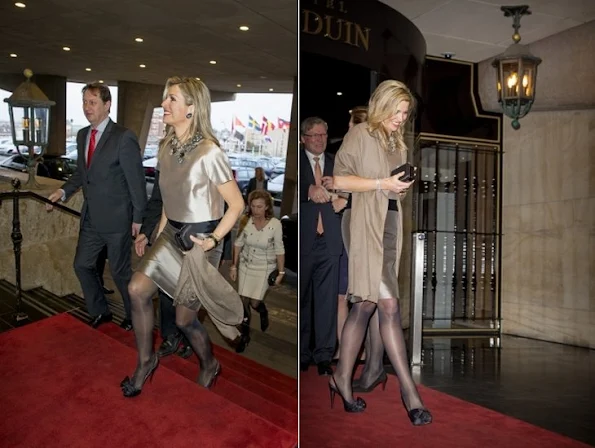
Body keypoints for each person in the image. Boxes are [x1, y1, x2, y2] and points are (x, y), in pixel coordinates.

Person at [120, 77, 245, 397]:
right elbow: (168, 199)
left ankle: (209, 364)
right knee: (136, 289)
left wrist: (215, 240)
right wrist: (156, 236)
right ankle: (146, 361)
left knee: (185, 319)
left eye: (172, 99)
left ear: (191, 109)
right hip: (170, 235)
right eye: (165, 99)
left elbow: (237, 205)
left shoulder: (209, 152)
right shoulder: (165, 147)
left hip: (200, 244)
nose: (164, 104)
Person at [330, 80, 432, 425]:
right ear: (383, 106)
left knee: (364, 305)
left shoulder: (397, 143)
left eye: (406, 113)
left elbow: (393, 193)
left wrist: (399, 187)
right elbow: (339, 181)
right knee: (388, 304)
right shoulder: (361, 134)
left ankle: (341, 378)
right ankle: (410, 392)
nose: (401, 118)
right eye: (397, 111)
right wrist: (381, 184)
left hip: (389, 225)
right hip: (361, 223)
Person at [47, 82, 147, 332]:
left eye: (92, 102)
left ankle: (135, 316)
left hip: (117, 220)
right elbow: (83, 174)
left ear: (107, 105)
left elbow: (137, 182)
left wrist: (138, 218)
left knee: (121, 273)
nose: (86, 107)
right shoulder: (82, 135)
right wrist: (63, 191)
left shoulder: (124, 137)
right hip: (91, 219)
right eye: (84, 102)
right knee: (82, 264)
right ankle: (100, 310)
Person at [299, 117, 344, 376]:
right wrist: (308, 190)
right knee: (303, 299)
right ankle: (303, 354)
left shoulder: (337, 162)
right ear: (303, 138)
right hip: (305, 240)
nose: (319, 139)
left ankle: (324, 355)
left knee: (328, 301)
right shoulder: (297, 161)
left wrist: (343, 199)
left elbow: (351, 191)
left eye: (323, 135)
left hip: (330, 241)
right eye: (314, 135)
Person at [133, 169, 192, 359]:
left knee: (187, 291)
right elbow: (158, 202)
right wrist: (146, 230)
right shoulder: (165, 162)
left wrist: (217, 245)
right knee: (164, 286)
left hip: (196, 236)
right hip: (167, 234)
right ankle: (169, 335)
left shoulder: (206, 157)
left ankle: (188, 337)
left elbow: (222, 207)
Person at [230, 190, 285, 353]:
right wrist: (234, 266)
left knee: (254, 303)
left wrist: (281, 273)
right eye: (253, 206)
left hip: (265, 267)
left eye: (259, 206)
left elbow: (279, 249)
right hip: (246, 265)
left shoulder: (275, 224)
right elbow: (238, 243)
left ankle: (262, 310)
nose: (256, 210)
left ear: (267, 206)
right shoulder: (245, 220)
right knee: (243, 301)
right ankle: (244, 335)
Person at [335, 106, 368, 360]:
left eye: (351, 123)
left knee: (353, 296)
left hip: (358, 225)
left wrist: (341, 197)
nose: (347, 127)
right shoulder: (355, 154)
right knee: (355, 296)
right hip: (355, 226)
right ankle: (352, 354)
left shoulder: (353, 155)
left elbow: (342, 195)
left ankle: (349, 354)